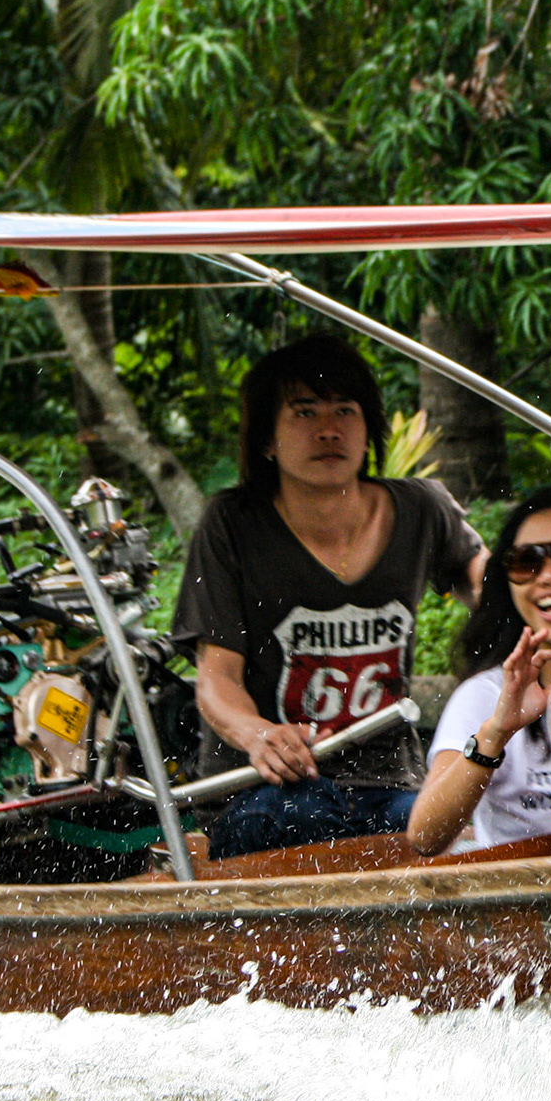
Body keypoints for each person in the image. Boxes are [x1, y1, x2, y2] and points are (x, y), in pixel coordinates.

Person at [174, 332, 485, 859]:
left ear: (368, 432)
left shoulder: (421, 509)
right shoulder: (232, 524)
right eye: (304, 413)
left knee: (447, 835)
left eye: (345, 411)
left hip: (390, 785)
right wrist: (258, 737)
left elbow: (495, 588)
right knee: (296, 816)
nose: (328, 430)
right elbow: (215, 678)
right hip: (264, 792)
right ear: (267, 441)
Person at [407, 485, 551, 856]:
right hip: (516, 904)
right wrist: (497, 733)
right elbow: (425, 837)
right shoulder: (487, 695)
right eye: (526, 562)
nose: (548, 576)